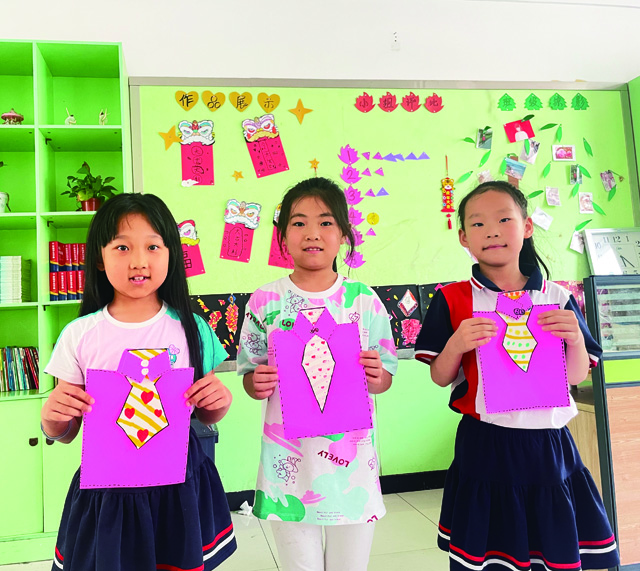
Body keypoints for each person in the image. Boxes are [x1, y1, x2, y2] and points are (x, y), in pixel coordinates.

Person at [415, 180, 619, 571]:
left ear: (526, 227)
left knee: (550, 547)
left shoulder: (556, 296)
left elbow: (575, 375)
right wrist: (456, 344)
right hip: (484, 444)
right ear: (463, 237)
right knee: (490, 553)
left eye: (504, 219)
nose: (491, 231)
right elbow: (440, 377)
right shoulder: (452, 298)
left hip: (549, 446)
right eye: (477, 223)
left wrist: (576, 338)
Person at [40, 193, 237, 571]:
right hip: (109, 490)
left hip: (178, 486)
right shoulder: (80, 335)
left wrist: (219, 403)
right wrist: (51, 420)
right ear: (100, 258)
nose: (139, 261)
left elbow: (206, 414)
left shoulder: (192, 328)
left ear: (171, 254)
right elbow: (66, 430)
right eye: (122, 247)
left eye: (152, 246)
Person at [237, 177, 398, 571]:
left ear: (343, 234)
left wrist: (377, 376)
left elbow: (385, 375)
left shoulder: (364, 300)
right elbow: (249, 373)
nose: (312, 233)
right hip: (287, 470)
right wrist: (256, 383)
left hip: (353, 469)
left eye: (325, 222)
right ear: (282, 237)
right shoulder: (265, 300)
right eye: (298, 223)